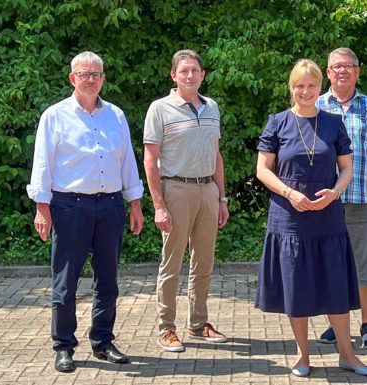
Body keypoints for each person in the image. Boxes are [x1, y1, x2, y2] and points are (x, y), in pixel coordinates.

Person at [27, 51, 144, 373]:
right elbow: (43, 163)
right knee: (66, 281)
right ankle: (64, 345)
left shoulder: (116, 115)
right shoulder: (55, 116)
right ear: (72, 78)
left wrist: (135, 202)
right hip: (70, 207)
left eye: (96, 74)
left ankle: (103, 341)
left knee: (108, 280)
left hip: (110, 205)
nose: (90, 79)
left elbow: (127, 161)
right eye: (84, 74)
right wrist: (41, 208)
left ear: (103, 79)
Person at [255, 59, 367, 377]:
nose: (305, 91)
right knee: (297, 287)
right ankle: (302, 355)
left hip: (327, 216)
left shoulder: (333, 123)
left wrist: (334, 192)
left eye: (311, 85)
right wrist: (289, 193)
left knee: (335, 286)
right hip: (289, 218)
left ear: (320, 87)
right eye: (299, 86)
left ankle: (347, 354)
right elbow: (262, 170)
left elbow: (346, 168)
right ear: (291, 88)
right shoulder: (277, 122)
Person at [143, 49, 230, 353]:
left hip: (208, 190)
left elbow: (216, 155)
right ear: (174, 75)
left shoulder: (212, 107)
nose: (190, 75)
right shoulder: (160, 109)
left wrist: (222, 198)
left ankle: (198, 323)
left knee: (203, 263)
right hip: (176, 190)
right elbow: (150, 160)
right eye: (184, 71)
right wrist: (159, 206)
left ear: (203, 75)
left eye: (195, 70)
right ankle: (166, 329)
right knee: (172, 264)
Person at [315, 47, 367, 350]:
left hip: (361, 198)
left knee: (364, 265)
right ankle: (336, 323)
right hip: (322, 202)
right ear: (328, 73)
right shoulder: (315, 105)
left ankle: (366, 324)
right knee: (329, 264)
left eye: (348, 66)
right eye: (336, 66)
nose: (342, 71)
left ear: (357, 71)